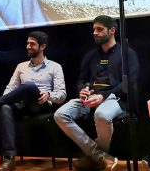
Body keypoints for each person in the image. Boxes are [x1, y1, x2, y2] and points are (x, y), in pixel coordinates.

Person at [0, 31, 66, 171]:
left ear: (42, 46)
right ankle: (9, 159)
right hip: (22, 105)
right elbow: (10, 88)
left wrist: (49, 94)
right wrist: (5, 101)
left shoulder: (55, 66)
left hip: (41, 104)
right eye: (27, 43)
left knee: (29, 86)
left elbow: (62, 94)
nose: (28, 46)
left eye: (32, 44)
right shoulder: (21, 66)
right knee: (5, 108)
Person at [54, 15, 138, 171]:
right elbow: (81, 80)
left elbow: (129, 83)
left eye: (99, 29)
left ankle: (93, 158)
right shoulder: (90, 55)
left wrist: (103, 96)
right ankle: (100, 156)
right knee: (60, 114)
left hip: (114, 97)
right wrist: (82, 90)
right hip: (90, 97)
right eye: (93, 29)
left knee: (102, 115)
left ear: (112, 31)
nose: (94, 32)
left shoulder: (127, 54)